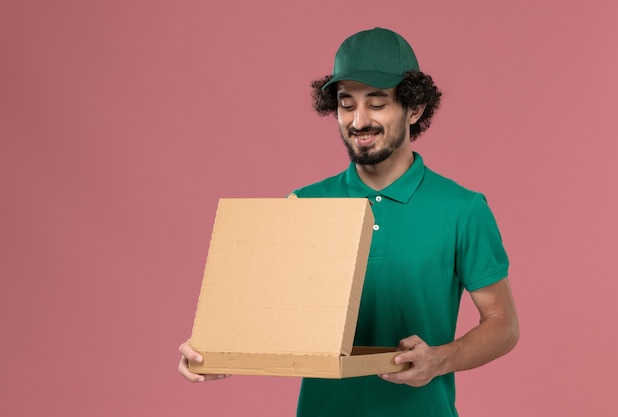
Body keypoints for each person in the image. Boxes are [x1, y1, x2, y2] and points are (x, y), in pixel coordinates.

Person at [179, 27, 519, 416]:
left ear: (414, 108)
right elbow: (256, 320)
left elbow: (503, 324)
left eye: (376, 104)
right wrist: (210, 352)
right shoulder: (303, 205)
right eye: (346, 104)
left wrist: (439, 359)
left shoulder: (462, 209)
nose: (358, 121)